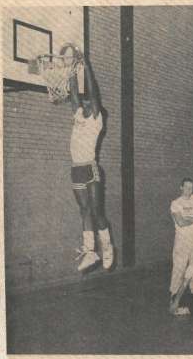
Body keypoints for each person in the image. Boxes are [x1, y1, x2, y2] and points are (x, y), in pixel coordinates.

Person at [67, 63, 113, 272]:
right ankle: (90, 251)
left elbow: (93, 93)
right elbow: (75, 92)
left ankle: (107, 246)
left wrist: (86, 69)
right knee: (83, 209)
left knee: (97, 211)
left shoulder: (96, 120)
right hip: (76, 169)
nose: (84, 104)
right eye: (83, 103)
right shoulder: (79, 116)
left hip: (90, 168)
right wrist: (71, 70)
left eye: (88, 104)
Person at [169, 178, 193, 303]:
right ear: (181, 187)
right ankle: (174, 293)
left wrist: (188, 219)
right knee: (179, 267)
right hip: (182, 240)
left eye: (191, 188)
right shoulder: (176, 203)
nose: (188, 190)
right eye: (186, 187)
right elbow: (180, 222)